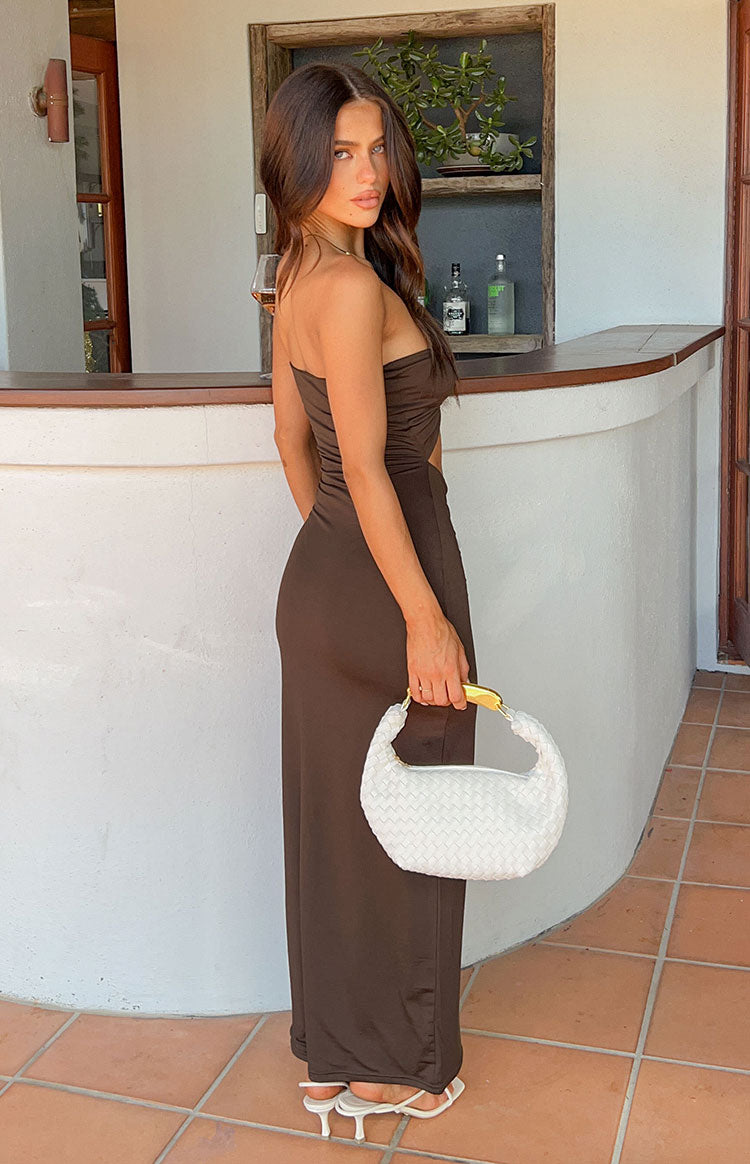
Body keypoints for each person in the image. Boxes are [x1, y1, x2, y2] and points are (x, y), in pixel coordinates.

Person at [260, 61, 478, 1138]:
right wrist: (421, 616)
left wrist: (338, 550)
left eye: (376, 147)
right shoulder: (346, 288)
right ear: (295, 161)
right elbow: (366, 464)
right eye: (339, 152)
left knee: (340, 831)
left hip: (332, 584)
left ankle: (333, 1058)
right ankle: (400, 1070)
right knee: (419, 819)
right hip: (397, 586)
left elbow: (291, 443)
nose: (367, 171)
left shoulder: (299, 274)